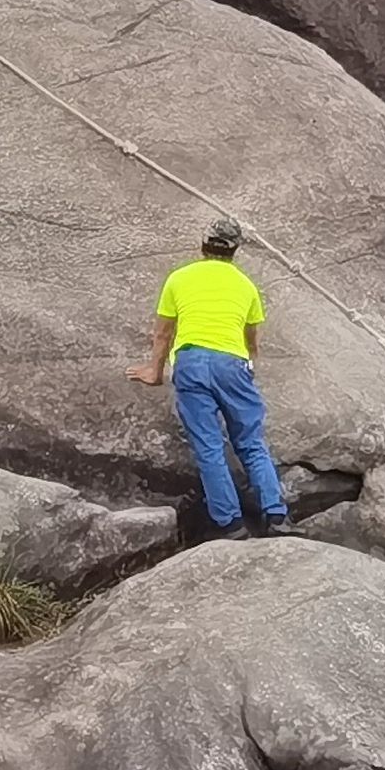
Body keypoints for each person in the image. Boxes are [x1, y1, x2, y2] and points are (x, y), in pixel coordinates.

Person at [131, 218, 290, 538]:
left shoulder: (179, 278)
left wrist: (154, 371)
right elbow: (252, 340)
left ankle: (230, 525)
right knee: (250, 442)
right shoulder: (246, 286)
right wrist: (246, 367)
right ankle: (276, 516)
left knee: (209, 446)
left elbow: (163, 333)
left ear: (204, 244)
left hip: (190, 361)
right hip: (232, 364)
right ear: (235, 250)